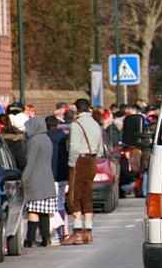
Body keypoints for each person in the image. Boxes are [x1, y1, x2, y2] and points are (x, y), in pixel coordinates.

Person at [62, 98, 103, 246]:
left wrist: (71, 164)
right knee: (87, 195)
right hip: (92, 160)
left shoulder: (76, 124)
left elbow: (73, 147)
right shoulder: (95, 124)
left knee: (75, 196)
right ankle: (89, 232)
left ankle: (78, 232)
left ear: (77, 109)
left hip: (79, 160)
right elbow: (100, 147)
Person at [22, 117, 57, 247]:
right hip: (47, 179)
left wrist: (23, 179)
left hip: (35, 180)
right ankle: (45, 238)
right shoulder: (47, 139)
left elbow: (30, 163)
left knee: (33, 211)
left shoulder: (34, 141)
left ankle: (29, 239)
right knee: (44, 212)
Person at [46, 115, 70, 243]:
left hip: (50, 175)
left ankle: (55, 232)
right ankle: (65, 231)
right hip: (63, 175)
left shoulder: (45, 138)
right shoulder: (64, 137)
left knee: (52, 205)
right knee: (61, 203)